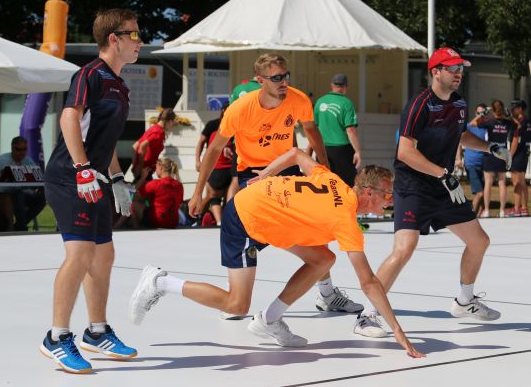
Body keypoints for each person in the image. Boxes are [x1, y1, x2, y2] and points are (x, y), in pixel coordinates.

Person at [128, 148, 425, 358]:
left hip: (265, 211)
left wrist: (268, 173)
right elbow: (369, 283)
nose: (390, 202)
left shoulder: (333, 181)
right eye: (387, 195)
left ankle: (269, 319)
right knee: (236, 304)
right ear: (368, 193)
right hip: (246, 218)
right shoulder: (345, 220)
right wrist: (397, 330)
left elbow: (296, 154)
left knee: (324, 259)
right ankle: (159, 282)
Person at [353, 47, 511, 338]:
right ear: (435, 72)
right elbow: (405, 151)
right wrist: (443, 174)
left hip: (443, 186)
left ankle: (465, 301)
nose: (458, 73)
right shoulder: (419, 105)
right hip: (414, 186)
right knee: (404, 248)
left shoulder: (459, 104)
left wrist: (490, 147)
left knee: (479, 241)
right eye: (452, 68)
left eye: (460, 69)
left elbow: (460, 134)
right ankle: (367, 315)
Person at [188, 53, 362, 315]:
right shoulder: (240, 109)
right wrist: (197, 192)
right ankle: (234, 294)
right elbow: (213, 150)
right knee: (254, 234)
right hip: (253, 174)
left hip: (287, 168)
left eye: (286, 75)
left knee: (316, 225)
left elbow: (311, 131)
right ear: (261, 80)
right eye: (277, 78)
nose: (284, 82)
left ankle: (326, 293)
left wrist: (323, 169)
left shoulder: (298, 99)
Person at [40, 8, 141, 374]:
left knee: (104, 255)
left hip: (95, 179)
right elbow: (69, 116)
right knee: (81, 253)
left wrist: (117, 179)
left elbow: (105, 139)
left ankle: (96, 332)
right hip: (70, 177)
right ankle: (56, 337)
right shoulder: (91, 74)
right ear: (114, 38)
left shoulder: (120, 85)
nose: (140, 42)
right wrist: (83, 168)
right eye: (133, 34)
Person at [308, 74, 361, 187]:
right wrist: (358, 151)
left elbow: (313, 129)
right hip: (342, 151)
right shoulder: (347, 103)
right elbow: (350, 130)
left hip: (322, 149)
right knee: (345, 185)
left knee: (324, 184)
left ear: (332, 85)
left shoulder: (320, 102)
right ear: (346, 87)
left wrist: (310, 151)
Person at [470, 100, 516, 218]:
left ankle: (486, 210)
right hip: (502, 153)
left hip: (491, 153)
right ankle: (502, 211)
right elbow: (518, 125)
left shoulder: (489, 122)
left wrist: (482, 114)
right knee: (502, 182)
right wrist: (510, 115)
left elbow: (472, 123)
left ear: (493, 110)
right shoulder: (507, 123)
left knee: (488, 183)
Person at [195, 103, 233, 225]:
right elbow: (201, 142)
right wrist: (198, 160)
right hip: (217, 167)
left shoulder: (234, 124)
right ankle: (198, 216)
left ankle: (201, 218)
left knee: (215, 196)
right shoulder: (213, 125)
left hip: (227, 168)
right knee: (213, 196)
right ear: (223, 111)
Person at [0, 136, 46, 231]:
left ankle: (19, 225)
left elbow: (38, 176)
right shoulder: (3, 159)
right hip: (7, 194)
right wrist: (26, 176)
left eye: (24, 149)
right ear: (12, 148)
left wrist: (39, 187)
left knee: (41, 199)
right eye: (19, 149)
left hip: (25, 193)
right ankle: (21, 226)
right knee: (19, 195)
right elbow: (6, 175)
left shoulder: (28, 160)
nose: (22, 152)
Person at [131, 157, 184, 228]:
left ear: (161, 168)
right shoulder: (179, 185)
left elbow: (132, 193)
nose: (155, 171)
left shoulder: (156, 183)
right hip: (173, 223)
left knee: (132, 204)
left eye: (155, 168)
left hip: (157, 221)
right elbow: (180, 205)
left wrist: (143, 177)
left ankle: (137, 229)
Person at [455, 103, 488, 215]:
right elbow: (459, 143)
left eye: (483, 113)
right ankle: (470, 217)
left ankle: (479, 216)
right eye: (478, 113)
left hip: (484, 164)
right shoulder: (469, 127)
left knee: (482, 193)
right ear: (475, 113)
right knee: (479, 193)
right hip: (471, 163)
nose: (481, 115)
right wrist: (459, 159)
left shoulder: (486, 127)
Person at [131, 108, 176, 181]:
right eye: (173, 122)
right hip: (145, 172)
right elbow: (142, 146)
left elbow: (135, 146)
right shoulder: (159, 133)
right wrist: (140, 167)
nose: (172, 125)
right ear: (170, 121)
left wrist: (134, 166)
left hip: (143, 172)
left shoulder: (153, 128)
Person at [508, 99, 530, 217]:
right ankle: (524, 208)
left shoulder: (519, 123)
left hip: (517, 155)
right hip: (524, 154)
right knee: (522, 182)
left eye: (514, 108)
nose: (512, 110)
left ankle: (517, 209)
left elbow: (515, 140)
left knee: (517, 182)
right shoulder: (527, 121)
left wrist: (509, 156)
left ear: (520, 108)